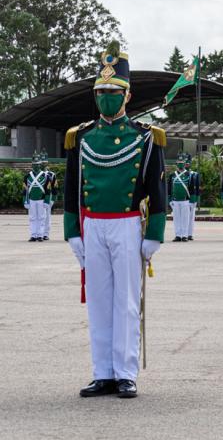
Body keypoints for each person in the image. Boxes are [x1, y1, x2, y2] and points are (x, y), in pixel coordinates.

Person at [63, 46, 167, 399]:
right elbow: (72, 190)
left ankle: (125, 372)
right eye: (101, 93)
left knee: (126, 300)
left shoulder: (146, 138)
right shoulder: (82, 137)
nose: (107, 98)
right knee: (98, 299)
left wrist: (154, 233)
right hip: (93, 225)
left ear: (127, 95)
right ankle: (102, 371)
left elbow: (156, 188)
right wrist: (72, 232)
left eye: (113, 92)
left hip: (126, 224)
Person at [23, 153, 53, 242]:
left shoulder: (46, 176)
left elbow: (48, 190)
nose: (36, 166)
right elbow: (25, 190)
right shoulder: (27, 176)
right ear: (32, 165)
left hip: (41, 200)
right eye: (34, 164)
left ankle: (40, 235)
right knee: (32, 218)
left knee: (41, 217)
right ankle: (33, 235)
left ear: (40, 165)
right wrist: (25, 201)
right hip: (31, 200)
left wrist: (47, 201)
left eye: (38, 164)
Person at [168, 154, 194, 242]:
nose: (180, 164)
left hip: (185, 200)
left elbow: (191, 188)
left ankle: (185, 235)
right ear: (176, 164)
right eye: (179, 163)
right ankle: (178, 235)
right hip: (175, 200)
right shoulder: (172, 175)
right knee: (176, 218)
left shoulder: (189, 175)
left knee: (185, 218)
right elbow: (169, 188)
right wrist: (169, 199)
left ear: (184, 163)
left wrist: (192, 200)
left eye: (182, 162)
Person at [41, 151, 57, 241]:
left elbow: (55, 188)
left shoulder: (51, 174)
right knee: (39, 216)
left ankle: (46, 234)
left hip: (48, 197)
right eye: (42, 163)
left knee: (47, 216)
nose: (44, 164)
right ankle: (39, 233)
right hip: (39, 197)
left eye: (45, 163)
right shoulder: (36, 174)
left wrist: (53, 200)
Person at [184, 153, 199, 240]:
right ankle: (184, 233)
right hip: (183, 198)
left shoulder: (194, 174)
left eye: (188, 163)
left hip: (192, 197)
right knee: (184, 217)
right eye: (185, 163)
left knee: (191, 216)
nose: (186, 164)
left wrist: (196, 199)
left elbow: (197, 188)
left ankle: (189, 234)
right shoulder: (180, 174)